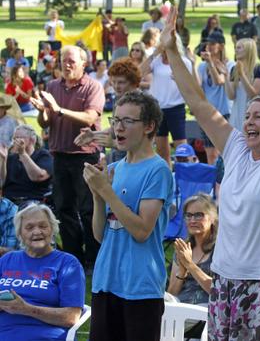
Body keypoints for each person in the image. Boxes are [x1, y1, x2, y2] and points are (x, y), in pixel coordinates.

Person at [161, 6, 260, 339]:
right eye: (247, 116)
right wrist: (171, 51)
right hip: (226, 282)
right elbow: (198, 104)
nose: (249, 122)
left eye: (259, 117)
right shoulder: (237, 150)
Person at [83, 91, 173, 341]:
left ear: (149, 127)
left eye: (127, 121)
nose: (118, 128)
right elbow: (101, 235)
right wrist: (97, 196)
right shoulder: (113, 169)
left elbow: (142, 231)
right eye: (115, 120)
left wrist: (106, 191)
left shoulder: (158, 170)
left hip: (140, 287)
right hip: (106, 281)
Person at [29, 45, 104, 270]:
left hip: (85, 156)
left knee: (88, 208)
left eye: (71, 61)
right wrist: (43, 111)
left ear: (83, 64)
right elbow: (45, 123)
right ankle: (73, 257)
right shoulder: (53, 86)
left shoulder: (93, 87)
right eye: (63, 61)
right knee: (63, 208)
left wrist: (59, 109)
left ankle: (93, 258)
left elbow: (90, 117)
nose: (67, 65)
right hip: (60, 155)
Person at [0, 204, 85, 341]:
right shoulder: (7, 260)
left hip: (43, 335)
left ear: (52, 229)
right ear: (20, 233)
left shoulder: (67, 263)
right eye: (29, 227)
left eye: (43, 226)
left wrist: (26, 309)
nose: (37, 232)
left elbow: (72, 317)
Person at [140, 37, 193, 165]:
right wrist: (154, 53)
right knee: (161, 149)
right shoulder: (156, 61)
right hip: (158, 108)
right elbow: (140, 72)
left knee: (181, 148)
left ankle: (185, 175)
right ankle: (167, 177)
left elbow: (190, 85)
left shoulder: (183, 62)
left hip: (176, 107)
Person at [167, 193, 216, 304]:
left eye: (199, 215)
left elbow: (218, 292)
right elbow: (171, 294)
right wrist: (182, 272)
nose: (192, 220)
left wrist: (190, 265)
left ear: (212, 218)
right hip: (181, 309)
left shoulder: (219, 250)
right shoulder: (183, 248)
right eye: (188, 215)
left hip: (206, 311)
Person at [198, 31, 234, 165]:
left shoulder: (229, 65)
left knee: (223, 153)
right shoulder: (202, 66)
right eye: (207, 43)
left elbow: (218, 81)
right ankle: (213, 184)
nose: (209, 46)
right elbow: (198, 86)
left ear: (222, 46)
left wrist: (211, 64)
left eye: (213, 44)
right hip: (207, 114)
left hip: (224, 113)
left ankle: (223, 183)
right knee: (210, 154)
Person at [0, 125, 52, 207]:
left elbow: (39, 176)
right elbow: (1, 182)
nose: (14, 141)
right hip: (9, 202)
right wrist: (3, 159)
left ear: (32, 140)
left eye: (18, 138)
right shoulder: (11, 157)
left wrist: (23, 154)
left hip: (33, 201)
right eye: (14, 138)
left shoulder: (43, 155)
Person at [224, 38, 260, 131]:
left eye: (239, 48)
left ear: (248, 49)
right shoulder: (234, 69)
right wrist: (225, 75)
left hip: (254, 116)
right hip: (237, 116)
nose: (235, 50)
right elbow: (231, 96)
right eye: (235, 47)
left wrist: (242, 75)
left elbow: (253, 94)